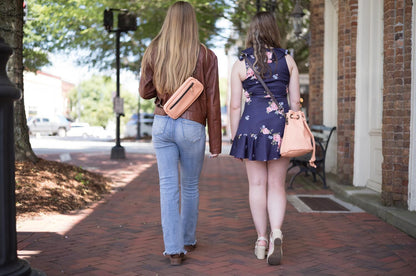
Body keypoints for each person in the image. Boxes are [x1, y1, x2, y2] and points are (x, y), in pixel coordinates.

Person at [139, 1, 222, 266]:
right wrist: (216, 144)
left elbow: (145, 92)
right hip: (192, 126)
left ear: (169, 21)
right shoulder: (206, 55)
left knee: (167, 187)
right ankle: (188, 239)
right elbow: (212, 101)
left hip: (162, 123)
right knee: (189, 186)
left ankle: (173, 250)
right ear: (192, 22)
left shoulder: (154, 50)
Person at [229, 11, 301, 265]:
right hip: (280, 128)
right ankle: (276, 233)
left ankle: (261, 239)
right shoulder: (288, 61)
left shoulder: (241, 63)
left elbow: (235, 107)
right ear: (274, 30)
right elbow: (295, 105)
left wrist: (234, 137)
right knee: (277, 185)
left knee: (257, 186)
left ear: (252, 32)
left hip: (250, 129)